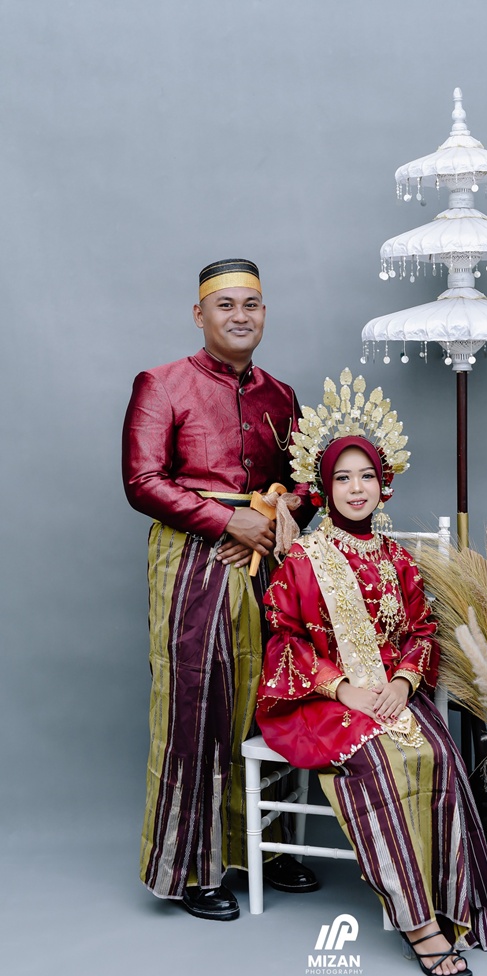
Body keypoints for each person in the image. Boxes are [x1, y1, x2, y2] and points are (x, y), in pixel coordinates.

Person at [256, 370, 487, 976]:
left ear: (383, 483)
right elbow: (285, 639)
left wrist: (400, 684)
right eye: (342, 478)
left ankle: (450, 899)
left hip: (391, 694)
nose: (355, 488)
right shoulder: (304, 558)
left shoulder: (398, 559)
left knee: (441, 755)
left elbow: (422, 632)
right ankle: (418, 922)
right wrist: (343, 687)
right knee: (376, 764)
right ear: (325, 487)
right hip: (322, 698)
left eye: (366, 475)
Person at [122, 258, 318, 919]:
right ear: (199, 314)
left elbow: (308, 482)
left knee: (272, 698)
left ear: (265, 313)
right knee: (197, 705)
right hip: (192, 561)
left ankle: (268, 849)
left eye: (251, 304)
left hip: (268, 561)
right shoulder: (162, 384)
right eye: (225, 304)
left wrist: (269, 519)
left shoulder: (281, 395)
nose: (240, 316)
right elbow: (142, 481)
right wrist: (226, 521)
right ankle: (192, 869)